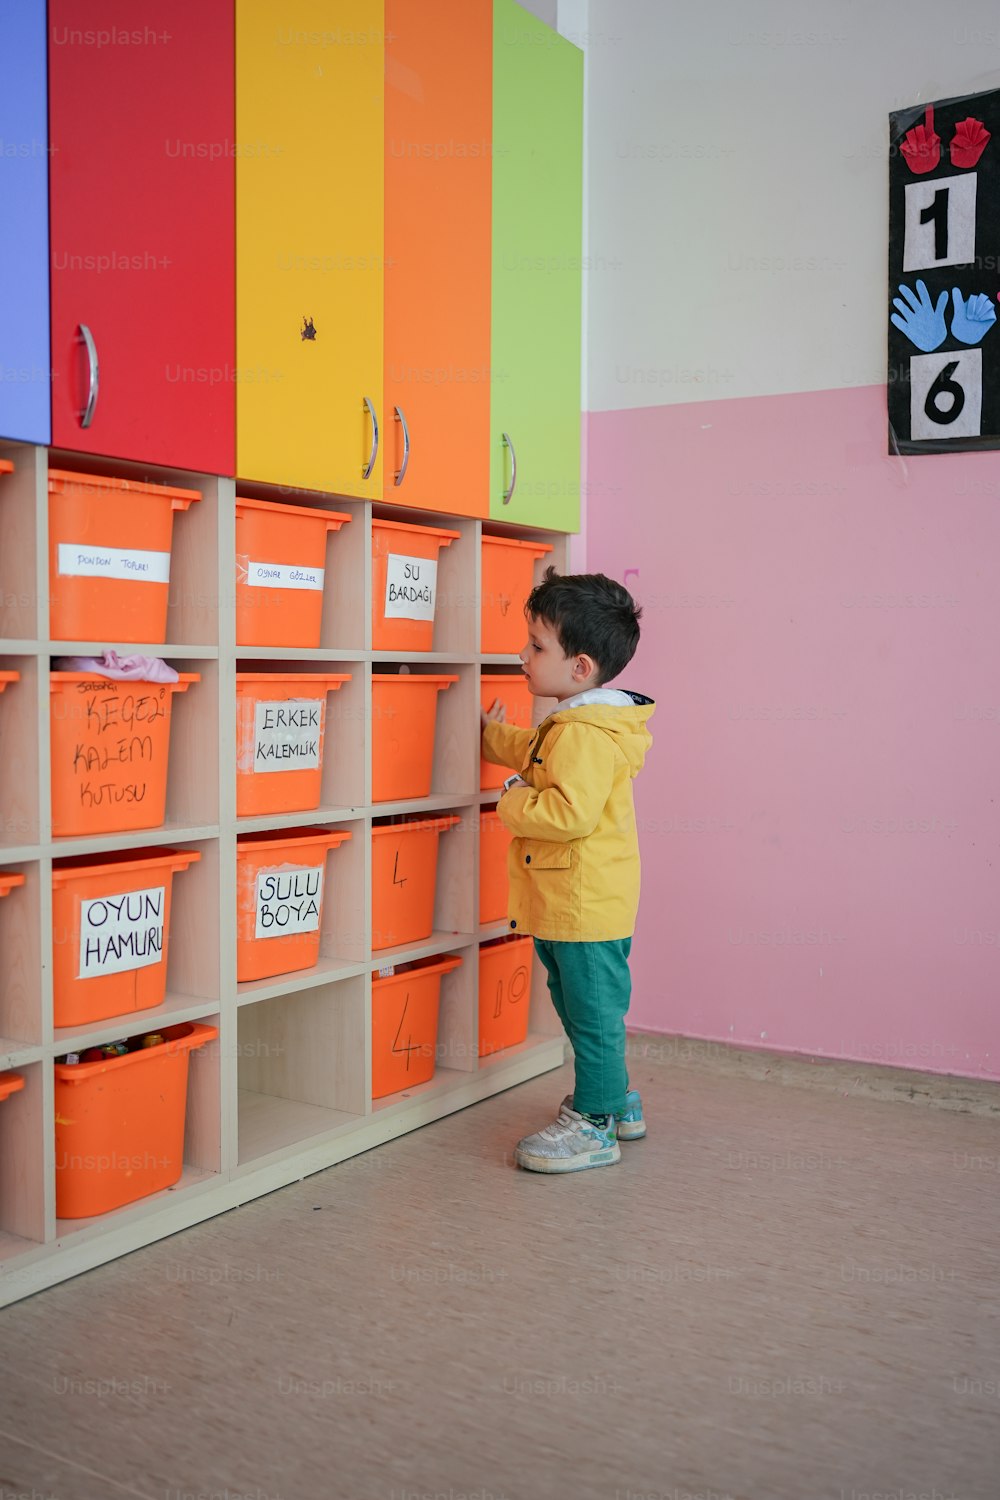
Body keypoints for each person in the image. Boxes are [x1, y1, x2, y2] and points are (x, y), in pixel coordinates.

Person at [481, 567, 654, 1173]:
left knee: (592, 1012)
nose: (522, 654)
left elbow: (568, 811)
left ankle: (595, 1125)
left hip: (583, 906)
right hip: (573, 903)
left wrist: (508, 799)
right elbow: (534, 751)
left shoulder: (583, 734)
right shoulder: (574, 723)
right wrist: (490, 736)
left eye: (535, 645)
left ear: (579, 667)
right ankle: (616, 1101)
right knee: (588, 1009)